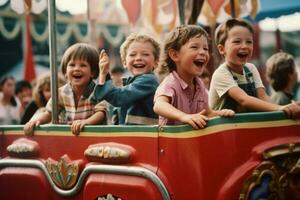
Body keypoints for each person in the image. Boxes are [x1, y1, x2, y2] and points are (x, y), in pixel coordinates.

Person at [209, 18, 300, 118]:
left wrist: (284, 108)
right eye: (237, 41)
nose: (244, 46)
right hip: (224, 129)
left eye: (249, 42)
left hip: (246, 125)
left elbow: (263, 96)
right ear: (222, 49)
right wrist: (279, 108)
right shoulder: (221, 73)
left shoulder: (251, 69)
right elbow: (243, 99)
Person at [153, 25, 234, 129]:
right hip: (171, 141)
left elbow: (206, 113)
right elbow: (159, 105)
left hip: (191, 141)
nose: (203, 52)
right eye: (194, 47)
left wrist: (219, 114)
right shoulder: (171, 82)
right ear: (175, 55)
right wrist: (184, 117)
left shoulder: (199, 84)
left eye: (206, 48)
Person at [24, 43, 107, 135]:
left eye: (83, 65)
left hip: (91, 139)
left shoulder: (98, 90)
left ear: (93, 72)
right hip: (68, 139)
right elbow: (49, 113)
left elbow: (101, 113)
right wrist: (34, 121)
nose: (77, 69)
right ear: (65, 72)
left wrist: (86, 122)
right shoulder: (60, 93)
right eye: (72, 65)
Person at [93, 33, 160, 125]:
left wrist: (104, 74)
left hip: (143, 136)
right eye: (132, 55)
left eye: (145, 54)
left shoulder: (148, 81)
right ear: (124, 62)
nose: (138, 58)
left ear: (156, 62)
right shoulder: (131, 83)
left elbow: (118, 97)